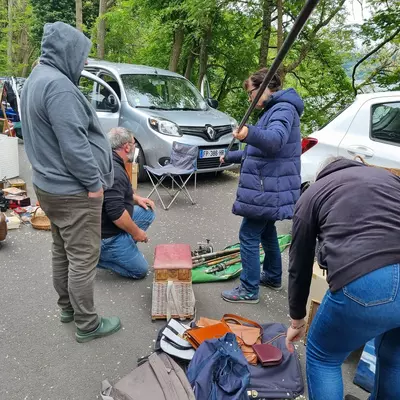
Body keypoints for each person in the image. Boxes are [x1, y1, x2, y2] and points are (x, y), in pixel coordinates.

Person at [20, 22, 121, 343]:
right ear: (67, 52)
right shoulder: (59, 87)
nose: (85, 62)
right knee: (83, 257)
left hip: (49, 185)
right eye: (81, 55)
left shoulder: (36, 79)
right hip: (73, 190)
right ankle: (88, 324)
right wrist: (94, 183)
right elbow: (74, 145)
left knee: (62, 250)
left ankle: (67, 308)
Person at [286, 157, 400, 400]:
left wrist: (297, 320)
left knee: (322, 356)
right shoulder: (388, 178)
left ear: (321, 174)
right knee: (394, 357)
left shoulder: (314, 192)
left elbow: (300, 263)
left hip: (369, 278)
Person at [221, 68, 303, 303]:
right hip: (269, 185)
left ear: (266, 87)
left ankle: (248, 288)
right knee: (267, 232)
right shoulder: (275, 109)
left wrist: (249, 133)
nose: (250, 99)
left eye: (251, 93)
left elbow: (274, 141)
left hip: (268, 187)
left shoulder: (283, 109)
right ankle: (273, 276)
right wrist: (231, 157)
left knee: (248, 234)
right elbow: (258, 149)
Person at [98, 127, 155, 278]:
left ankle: (124, 245)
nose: (135, 146)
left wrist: (137, 199)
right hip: (107, 234)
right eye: (133, 143)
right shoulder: (115, 172)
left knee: (147, 212)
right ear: (126, 146)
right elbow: (116, 213)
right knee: (140, 271)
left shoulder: (109, 159)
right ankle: (97, 257)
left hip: (105, 223)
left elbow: (117, 194)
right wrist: (136, 233)